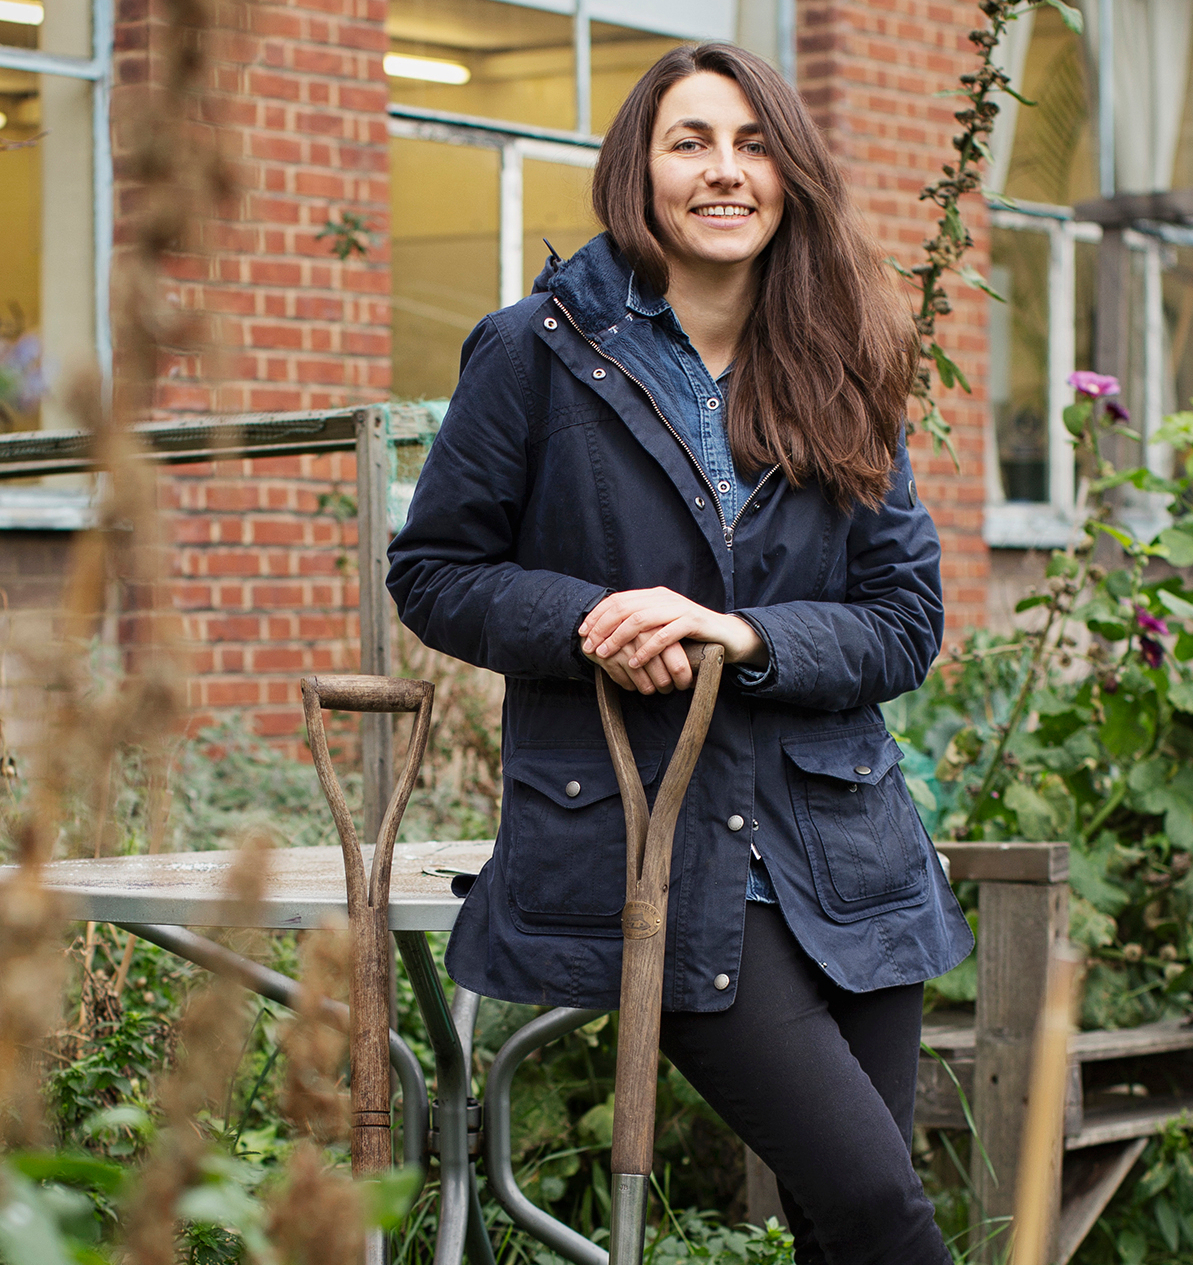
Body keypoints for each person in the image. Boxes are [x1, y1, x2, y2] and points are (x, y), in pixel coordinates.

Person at [386, 41, 971, 1265]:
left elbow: (904, 616)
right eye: (690, 142)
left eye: (754, 145)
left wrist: (743, 634)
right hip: (653, 837)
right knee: (881, 1212)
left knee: (839, 1221)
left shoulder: (841, 360)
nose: (725, 172)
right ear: (637, 172)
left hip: (845, 852)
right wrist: (591, 620)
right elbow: (434, 573)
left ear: (790, 175)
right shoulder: (533, 353)